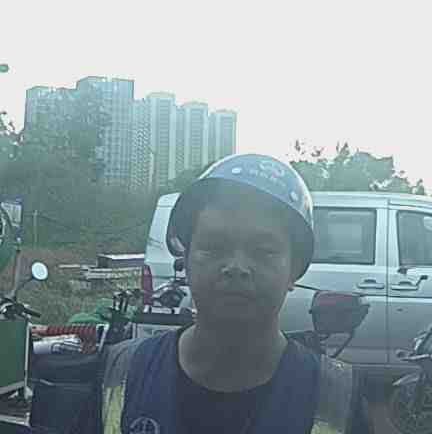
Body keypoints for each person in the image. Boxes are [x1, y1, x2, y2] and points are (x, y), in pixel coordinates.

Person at [95, 154, 372, 434]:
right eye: (214, 247)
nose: (236, 267)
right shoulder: (121, 375)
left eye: (263, 251)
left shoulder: (335, 399)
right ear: (186, 261)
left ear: (294, 270)